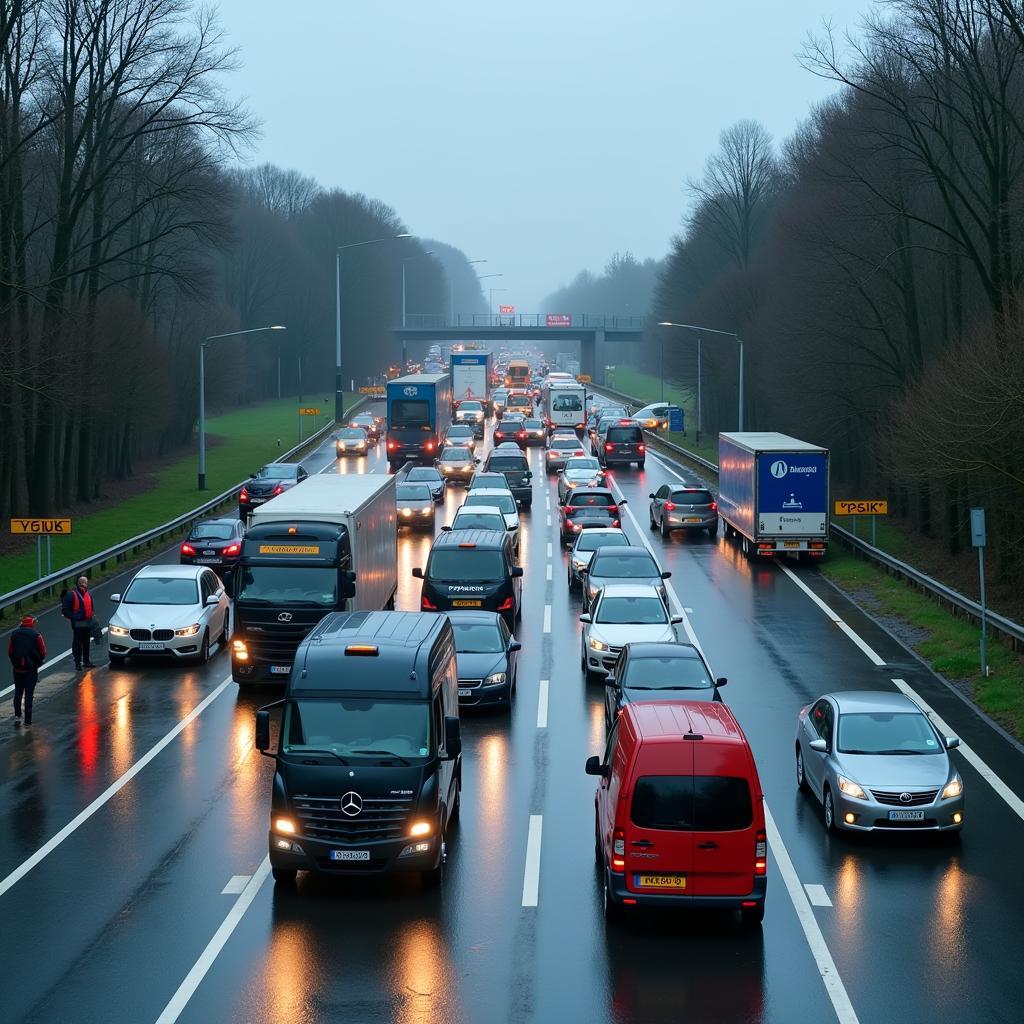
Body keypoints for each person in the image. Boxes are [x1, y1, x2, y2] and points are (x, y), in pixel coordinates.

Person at [8, 615, 46, 725]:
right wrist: (37, 660)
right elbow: (43, 651)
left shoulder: (14, 634)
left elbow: (10, 651)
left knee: (18, 692)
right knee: (29, 694)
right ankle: (28, 720)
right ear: (32, 624)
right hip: (31, 669)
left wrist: (15, 662)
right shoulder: (36, 635)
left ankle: (17, 715)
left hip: (17, 669)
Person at [62, 575, 95, 670]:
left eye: (86, 582)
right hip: (78, 623)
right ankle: (77, 663)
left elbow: (91, 608)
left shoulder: (87, 594)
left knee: (86, 643)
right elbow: (65, 610)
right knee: (77, 643)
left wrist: (92, 617)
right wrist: (76, 617)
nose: (85, 584)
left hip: (87, 622)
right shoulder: (72, 595)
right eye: (83, 582)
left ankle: (86, 661)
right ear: (79, 583)